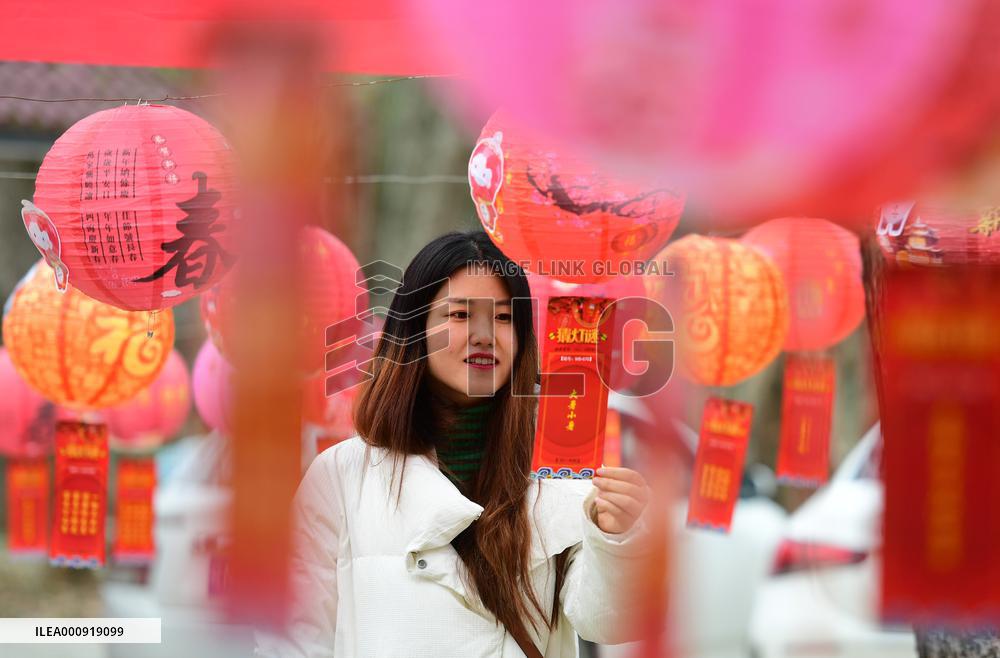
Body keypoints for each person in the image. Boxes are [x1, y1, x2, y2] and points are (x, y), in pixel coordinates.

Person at [255, 230, 654, 657]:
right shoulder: (341, 477)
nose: (485, 335)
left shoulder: (553, 474)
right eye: (460, 315)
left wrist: (617, 538)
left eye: (503, 318)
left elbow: (602, 622)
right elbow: (294, 639)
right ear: (413, 331)